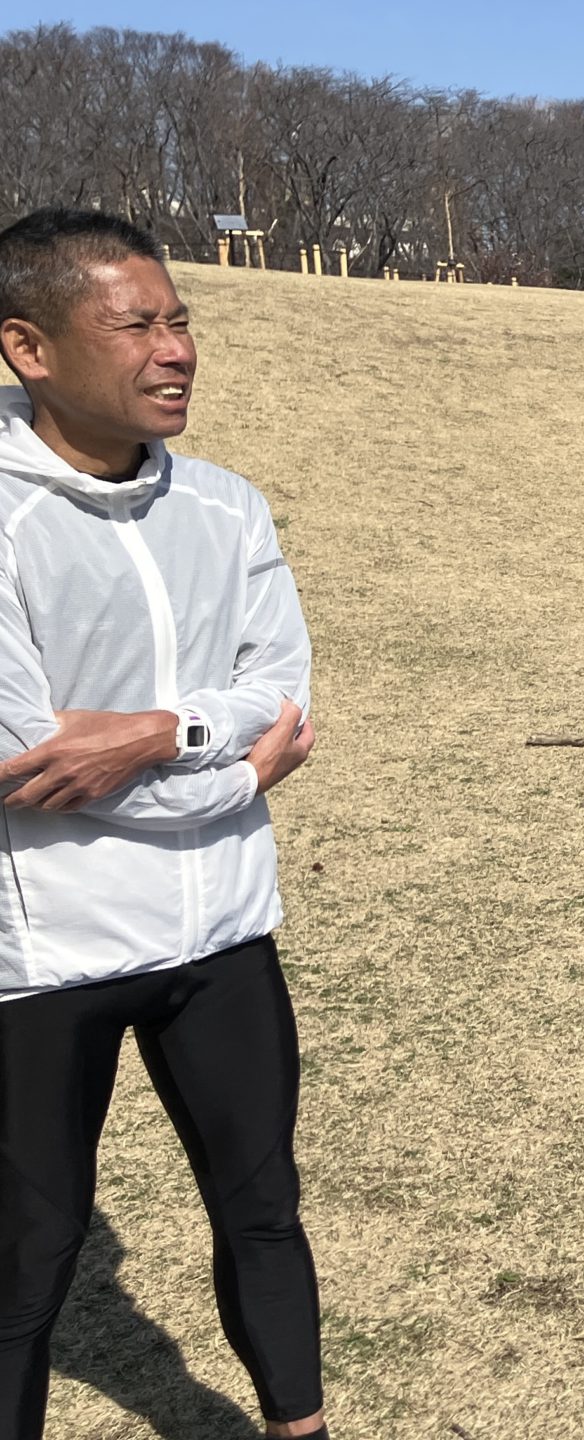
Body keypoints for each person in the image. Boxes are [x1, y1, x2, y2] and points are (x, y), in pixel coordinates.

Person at [0, 211, 323, 1436]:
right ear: (30, 347)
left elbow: (277, 696)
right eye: (135, 324)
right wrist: (237, 772)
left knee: (264, 1212)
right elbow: (26, 764)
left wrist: (151, 736)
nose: (175, 349)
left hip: (223, 930)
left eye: (179, 319)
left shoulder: (228, 506)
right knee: (28, 1260)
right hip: (45, 956)